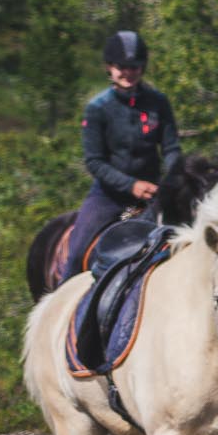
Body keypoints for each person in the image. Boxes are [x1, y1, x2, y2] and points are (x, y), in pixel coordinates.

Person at [66, 30, 182, 275]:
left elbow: (171, 148)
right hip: (108, 196)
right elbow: (95, 161)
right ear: (109, 68)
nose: (128, 73)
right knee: (76, 253)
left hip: (154, 193)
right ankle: (64, 306)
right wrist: (131, 185)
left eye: (135, 67)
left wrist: (172, 182)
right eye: (122, 67)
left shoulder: (158, 102)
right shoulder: (98, 108)